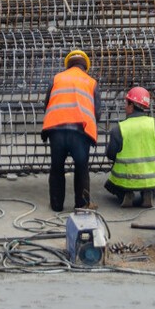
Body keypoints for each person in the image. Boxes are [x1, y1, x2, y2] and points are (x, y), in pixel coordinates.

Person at [41, 49, 98, 212]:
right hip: (80, 132)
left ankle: (56, 205)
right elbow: (97, 111)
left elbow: (47, 104)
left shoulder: (56, 79)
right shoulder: (91, 82)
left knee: (57, 167)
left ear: (68, 65)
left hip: (56, 131)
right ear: (85, 66)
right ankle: (82, 205)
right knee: (81, 168)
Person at [104, 86, 155, 208]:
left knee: (109, 185)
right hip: (151, 179)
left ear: (131, 105)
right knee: (150, 181)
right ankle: (148, 193)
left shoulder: (119, 129)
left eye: (126, 103)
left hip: (125, 179)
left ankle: (126, 194)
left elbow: (110, 154)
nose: (124, 106)